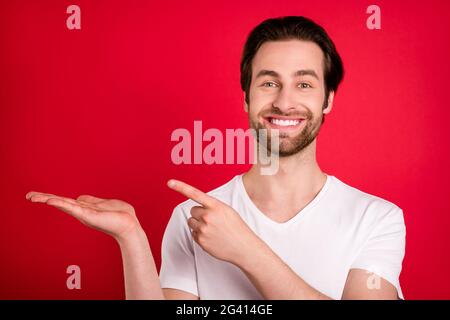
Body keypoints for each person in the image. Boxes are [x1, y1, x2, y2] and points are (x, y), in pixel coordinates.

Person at [26, 16, 406, 300]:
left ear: (328, 101)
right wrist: (131, 238)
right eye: (269, 82)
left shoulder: (377, 219)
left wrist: (247, 251)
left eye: (304, 84)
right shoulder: (194, 218)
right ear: (246, 98)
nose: (285, 100)